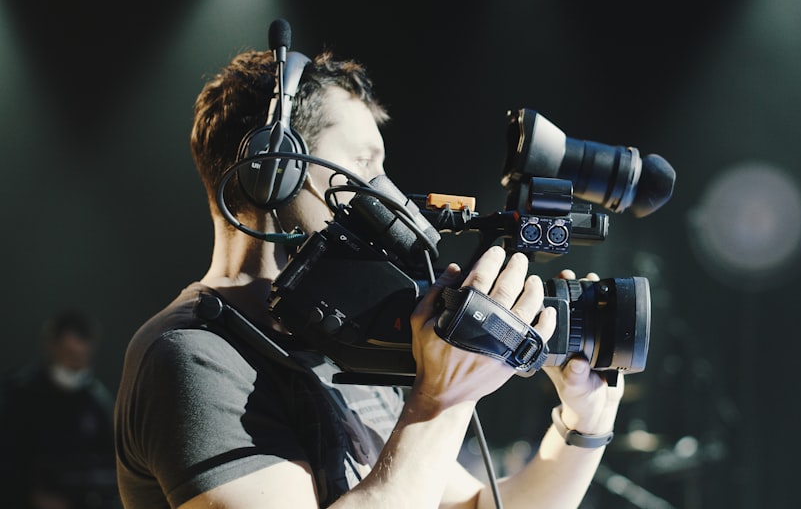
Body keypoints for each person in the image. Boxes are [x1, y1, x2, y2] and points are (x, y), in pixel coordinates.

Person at [113, 28, 625, 509]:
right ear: (273, 171)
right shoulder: (192, 357)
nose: (391, 197)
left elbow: (472, 506)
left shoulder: (340, 339)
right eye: (363, 165)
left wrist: (584, 426)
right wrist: (442, 400)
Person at [0, 309, 120, 509]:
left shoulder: (96, 402)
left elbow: (109, 460)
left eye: (82, 357)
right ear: (51, 347)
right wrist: (30, 495)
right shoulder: (18, 396)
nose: (75, 365)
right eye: (69, 355)